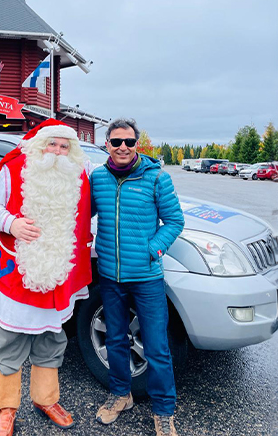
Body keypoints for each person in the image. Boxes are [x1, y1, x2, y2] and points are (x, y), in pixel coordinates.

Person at [0, 119, 95, 436]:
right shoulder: (14, 168)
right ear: (39, 145)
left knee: (52, 341)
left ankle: (45, 399)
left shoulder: (79, 175)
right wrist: (11, 223)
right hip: (14, 275)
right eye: (52, 144)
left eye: (64, 146)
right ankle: (6, 408)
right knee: (10, 342)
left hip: (58, 279)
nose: (57, 151)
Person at [90, 117, 185, 436]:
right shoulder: (98, 178)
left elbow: (174, 221)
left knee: (157, 347)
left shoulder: (157, 178)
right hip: (110, 277)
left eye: (129, 142)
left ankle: (163, 412)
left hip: (146, 278)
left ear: (136, 145)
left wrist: (152, 249)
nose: (122, 148)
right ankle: (121, 395)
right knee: (116, 339)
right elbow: (78, 212)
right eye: (116, 142)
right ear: (107, 144)